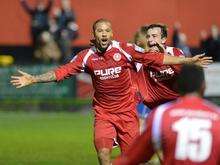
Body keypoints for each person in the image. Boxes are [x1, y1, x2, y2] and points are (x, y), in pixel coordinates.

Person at [10, 18, 212, 165]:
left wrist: (187, 60)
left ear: (112, 34)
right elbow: (62, 72)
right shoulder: (86, 56)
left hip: (127, 114)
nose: (104, 33)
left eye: (107, 30)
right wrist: (34, 79)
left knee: (133, 159)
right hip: (104, 114)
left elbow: (155, 59)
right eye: (100, 30)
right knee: (103, 154)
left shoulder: (124, 50)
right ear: (94, 34)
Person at [113, 64, 220, 165]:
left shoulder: (161, 115)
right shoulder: (217, 116)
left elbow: (132, 157)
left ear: (177, 86)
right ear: (204, 86)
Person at [137, 23, 190, 109]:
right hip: (155, 107)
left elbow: (184, 75)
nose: (150, 40)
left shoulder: (175, 52)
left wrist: (165, 55)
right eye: (148, 36)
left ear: (163, 39)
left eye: (154, 36)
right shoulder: (143, 58)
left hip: (176, 104)